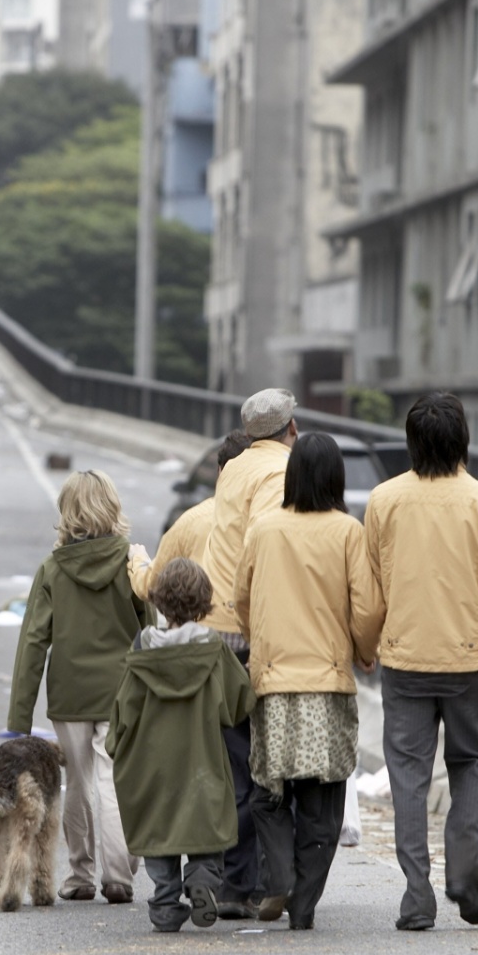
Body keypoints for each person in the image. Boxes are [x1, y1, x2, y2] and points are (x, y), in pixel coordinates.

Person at [364, 392, 478, 932]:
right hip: (468, 663)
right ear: (463, 441)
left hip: (406, 662)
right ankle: (463, 871)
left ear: (412, 442)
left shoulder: (384, 502)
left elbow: (372, 593)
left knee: (408, 776)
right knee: (472, 764)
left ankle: (417, 896)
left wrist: (365, 647)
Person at [235, 433, 384, 929]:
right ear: (337, 477)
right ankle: (303, 903)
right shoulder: (347, 532)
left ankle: (277, 876)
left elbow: (241, 600)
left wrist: (260, 643)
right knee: (323, 802)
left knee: (269, 790)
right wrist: (364, 653)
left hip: (273, 685)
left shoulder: (263, 530)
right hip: (327, 686)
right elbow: (366, 610)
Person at [7, 471, 151, 905]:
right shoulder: (131, 561)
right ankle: (120, 875)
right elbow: (149, 629)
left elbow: (33, 641)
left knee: (78, 783)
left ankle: (80, 874)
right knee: (114, 781)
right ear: (112, 505)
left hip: (69, 692)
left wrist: (19, 717)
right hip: (122, 691)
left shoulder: (53, 568)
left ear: (67, 512)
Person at [109, 558, 255, 932]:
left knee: (158, 830)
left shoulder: (143, 646)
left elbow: (125, 708)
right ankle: (203, 878)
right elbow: (239, 701)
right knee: (206, 823)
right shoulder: (213, 648)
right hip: (202, 758)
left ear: (158, 601)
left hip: (151, 764)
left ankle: (164, 901)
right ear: (204, 602)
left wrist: (114, 744)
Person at [198, 389, 299, 917]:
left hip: (215, 632)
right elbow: (265, 539)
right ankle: (258, 882)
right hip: (248, 631)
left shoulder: (232, 469)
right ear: (292, 428)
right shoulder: (279, 472)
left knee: (235, 763)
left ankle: (237, 883)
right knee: (265, 766)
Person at [128, 431, 250, 600]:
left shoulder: (192, 520)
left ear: (220, 470)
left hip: (206, 622)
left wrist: (137, 560)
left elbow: (152, 585)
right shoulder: (274, 519)